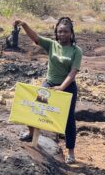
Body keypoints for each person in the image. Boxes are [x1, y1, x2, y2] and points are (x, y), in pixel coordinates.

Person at [13, 17, 82, 164]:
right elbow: (36, 38)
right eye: (60, 31)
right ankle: (31, 133)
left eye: (65, 31)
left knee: (68, 119)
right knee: (34, 107)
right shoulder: (52, 45)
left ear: (71, 33)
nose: (62, 34)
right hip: (49, 83)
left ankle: (70, 152)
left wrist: (61, 88)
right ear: (56, 33)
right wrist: (24, 24)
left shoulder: (76, 51)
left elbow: (73, 72)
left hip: (68, 87)